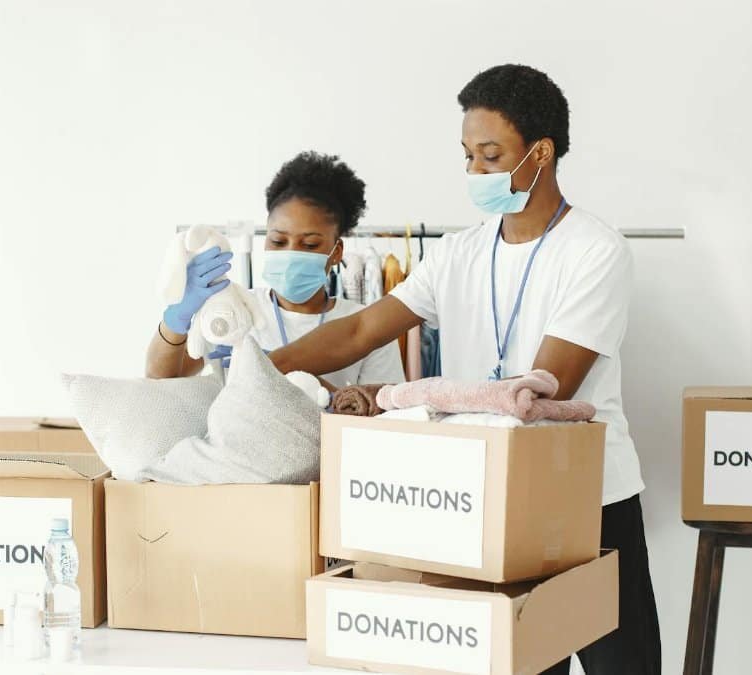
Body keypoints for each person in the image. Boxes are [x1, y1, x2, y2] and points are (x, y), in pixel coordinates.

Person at [269, 65, 660, 674]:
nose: (475, 172)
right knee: (515, 662)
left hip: (585, 497)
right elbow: (359, 329)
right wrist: (265, 367)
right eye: (467, 156)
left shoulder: (595, 250)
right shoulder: (457, 253)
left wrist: (398, 395)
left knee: (624, 665)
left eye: (489, 155)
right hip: (485, 496)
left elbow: (548, 388)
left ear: (541, 153)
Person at [146, 151, 405, 389]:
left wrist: (304, 382)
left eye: (310, 244)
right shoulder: (237, 311)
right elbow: (160, 380)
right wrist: (176, 317)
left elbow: (383, 422)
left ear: (336, 252)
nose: (291, 254)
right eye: (278, 241)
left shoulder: (368, 328)